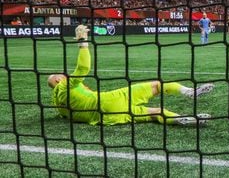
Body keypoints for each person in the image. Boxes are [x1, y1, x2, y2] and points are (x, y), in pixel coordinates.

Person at [48, 25, 214, 126]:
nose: (65, 75)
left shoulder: (59, 107)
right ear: (57, 80)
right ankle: (189, 92)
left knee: (156, 112)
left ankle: (183, 119)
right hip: (111, 99)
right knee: (157, 85)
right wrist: (82, 41)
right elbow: (83, 67)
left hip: (110, 117)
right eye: (62, 75)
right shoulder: (64, 85)